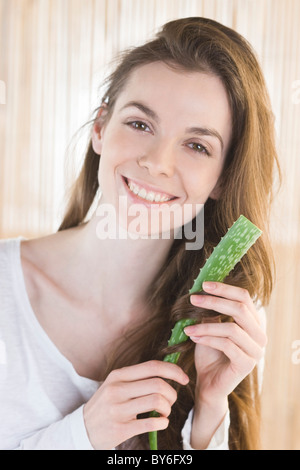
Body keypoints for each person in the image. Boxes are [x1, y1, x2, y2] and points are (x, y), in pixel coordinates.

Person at [0, 17, 280, 450]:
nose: (158, 162)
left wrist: (209, 408)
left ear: (222, 179)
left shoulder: (220, 326)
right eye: (140, 124)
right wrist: (82, 433)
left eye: (197, 145)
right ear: (99, 129)